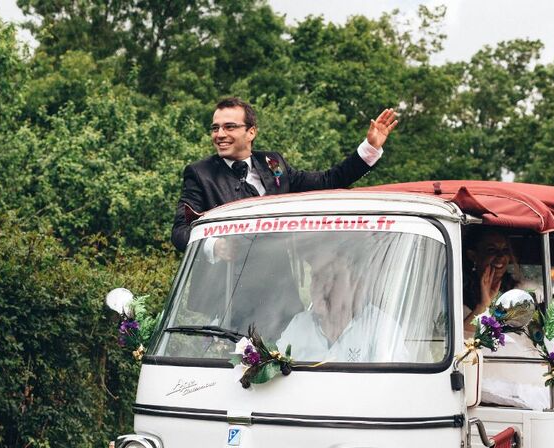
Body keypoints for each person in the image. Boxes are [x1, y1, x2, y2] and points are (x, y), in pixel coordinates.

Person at [171, 97, 399, 251]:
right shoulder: (199, 174)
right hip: (224, 293)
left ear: (251, 132)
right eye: (215, 128)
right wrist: (214, 246)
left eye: (229, 127)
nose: (219, 134)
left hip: (279, 290)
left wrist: (369, 148)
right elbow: (180, 232)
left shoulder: (272, 162)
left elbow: (329, 180)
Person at [277, 247, 409, 363]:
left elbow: (391, 384)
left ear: (356, 283)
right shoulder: (299, 325)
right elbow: (274, 365)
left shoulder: (381, 327)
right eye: (315, 277)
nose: (321, 286)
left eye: (331, 277)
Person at [462, 226, 521, 325]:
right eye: (492, 250)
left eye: (505, 250)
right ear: (473, 256)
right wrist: (483, 305)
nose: (501, 255)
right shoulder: (458, 295)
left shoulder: (520, 290)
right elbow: (463, 337)